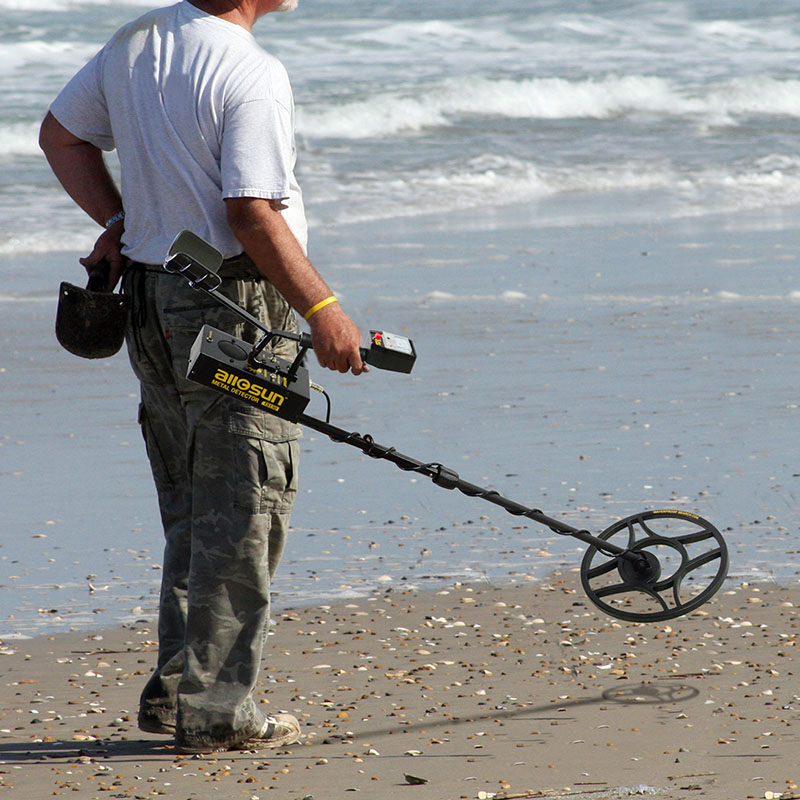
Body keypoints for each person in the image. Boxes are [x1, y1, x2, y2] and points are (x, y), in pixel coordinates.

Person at [39, 0, 366, 754]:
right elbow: (251, 211)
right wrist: (322, 308)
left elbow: (61, 137)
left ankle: (180, 692)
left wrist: (120, 222)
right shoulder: (250, 70)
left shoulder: (139, 41)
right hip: (236, 305)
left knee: (193, 496)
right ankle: (217, 711)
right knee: (244, 501)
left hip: (153, 297)